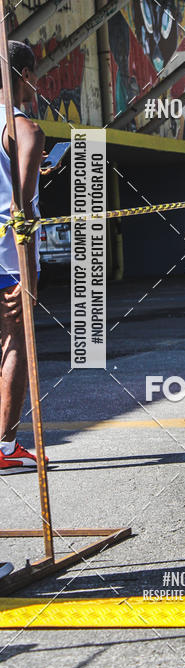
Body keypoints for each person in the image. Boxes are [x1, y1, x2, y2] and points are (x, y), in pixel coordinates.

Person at [0, 41, 45, 472]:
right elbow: (20, 210)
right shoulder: (25, 128)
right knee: (14, 340)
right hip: (6, 253)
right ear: (25, 74)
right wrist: (28, 274)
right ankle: (6, 445)